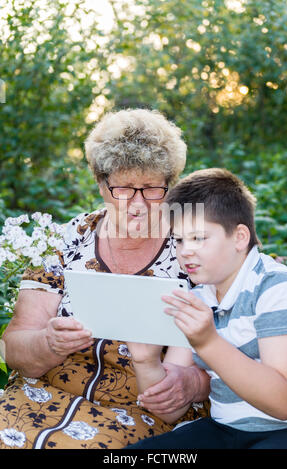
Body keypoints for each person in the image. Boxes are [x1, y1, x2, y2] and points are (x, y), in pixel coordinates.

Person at [0, 109, 209, 450]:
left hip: (139, 413)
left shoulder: (193, 252)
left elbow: (196, 372)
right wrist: (47, 343)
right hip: (38, 398)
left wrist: (186, 383)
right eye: (124, 189)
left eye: (153, 189)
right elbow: (13, 346)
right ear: (100, 182)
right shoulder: (65, 241)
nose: (138, 205)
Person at [128, 168, 287, 449]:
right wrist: (145, 361)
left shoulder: (279, 288)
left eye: (199, 238)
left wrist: (207, 342)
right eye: (179, 240)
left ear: (240, 237)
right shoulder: (197, 297)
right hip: (223, 430)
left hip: (286, 433)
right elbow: (170, 410)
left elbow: (283, 404)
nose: (185, 251)